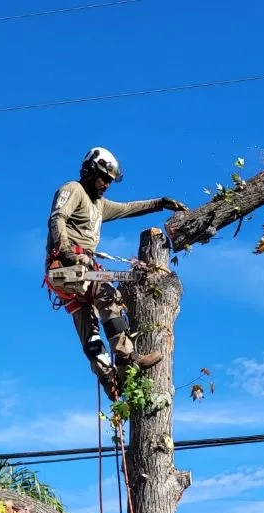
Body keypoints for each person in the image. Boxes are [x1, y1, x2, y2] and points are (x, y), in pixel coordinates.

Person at [45, 147, 187, 394]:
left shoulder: (99, 205)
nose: (106, 185)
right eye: (103, 178)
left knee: (89, 333)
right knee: (109, 295)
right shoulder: (73, 189)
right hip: (66, 269)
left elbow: (127, 208)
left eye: (110, 181)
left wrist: (159, 203)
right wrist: (67, 249)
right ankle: (126, 359)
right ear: (90, 171)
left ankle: (111, 380)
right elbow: (57, 218)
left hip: (79, 276)